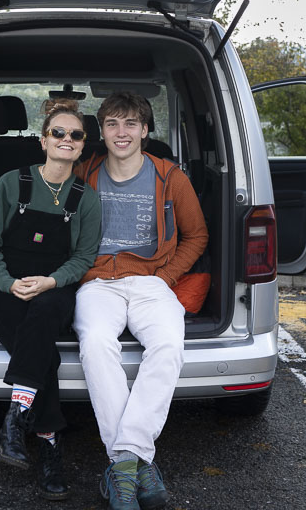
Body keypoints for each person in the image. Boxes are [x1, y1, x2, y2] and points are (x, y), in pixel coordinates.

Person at [73, 91, 208, 510]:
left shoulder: (170, 176)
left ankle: (122, 463)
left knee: (168, 345)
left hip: (152, 281)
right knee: (96, 344)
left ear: (146, 130)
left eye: (131, 123)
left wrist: (164, 277)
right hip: (97, 282)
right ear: (101, 131)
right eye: (112, 123)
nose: (121, 132)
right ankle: (134, 463)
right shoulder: (84, 172)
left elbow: (197, 236)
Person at [0, 98, 102, 501]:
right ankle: (47, 440)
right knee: (44, 354)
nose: (67, 139)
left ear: (83, 147)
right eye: (58, 132)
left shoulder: (87, 198)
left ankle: (14, 421)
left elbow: (84, 257)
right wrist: (8, 282)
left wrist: (51, 281)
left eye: (75, 135)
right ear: (43, 140)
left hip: (54, 288)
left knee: (46, 314)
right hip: (5, 285)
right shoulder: (13, 183)